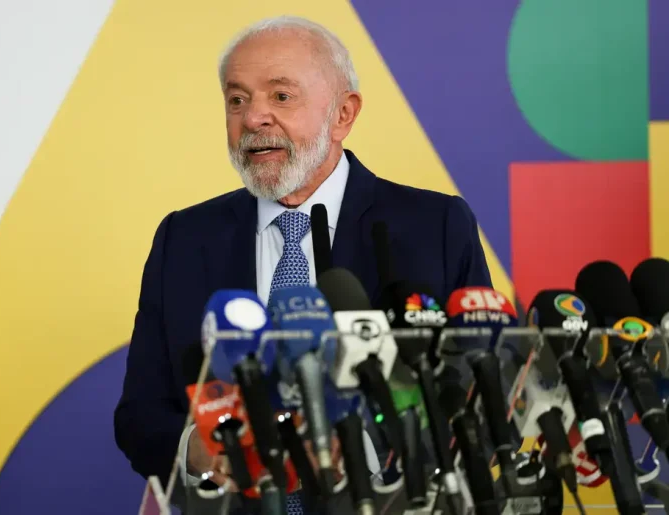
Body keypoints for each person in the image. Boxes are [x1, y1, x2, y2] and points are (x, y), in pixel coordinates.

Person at [114, 15, 493, 514]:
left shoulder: (434, 227)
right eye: (237, 100)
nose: (254, 118)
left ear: (343, 114)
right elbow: (140, 415)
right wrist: (198, 452)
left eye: (281, 96)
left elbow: (478, 399)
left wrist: (363, 449)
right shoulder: (184, 239)